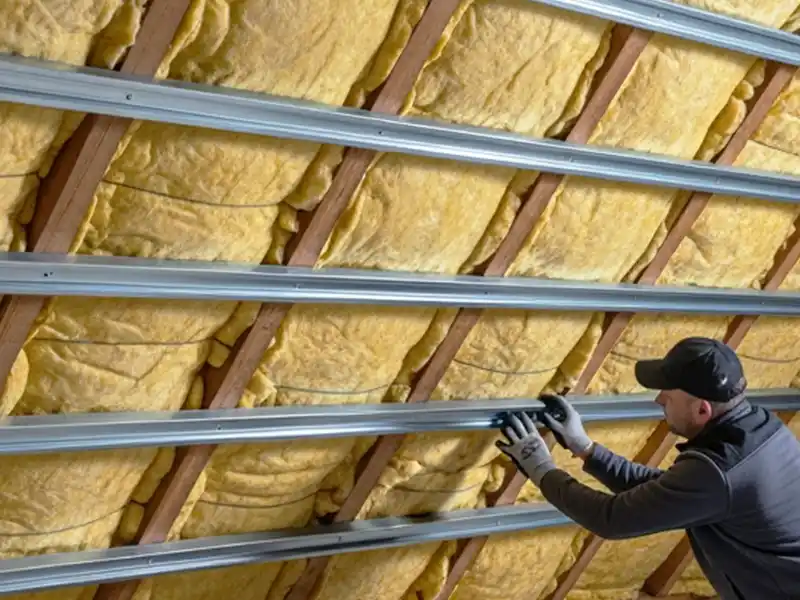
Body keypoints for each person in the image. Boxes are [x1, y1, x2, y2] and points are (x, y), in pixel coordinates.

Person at [497, 337, 800, 600]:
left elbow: (612, 518)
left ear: (702, 409)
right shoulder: (760, 427)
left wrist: (539, 466)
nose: (659, 399)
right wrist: (585, 448)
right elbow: (665, 491)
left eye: (668, 395)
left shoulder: (720, 469)